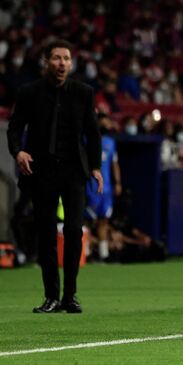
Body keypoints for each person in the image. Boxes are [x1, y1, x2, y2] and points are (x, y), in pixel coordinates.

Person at [6, 39, 103, 313]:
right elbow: (14, 129)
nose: (62, 63)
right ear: (46, 62)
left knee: (73, 230)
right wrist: (18, 152)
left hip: (74, 172)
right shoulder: (29, 93)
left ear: (71, 64)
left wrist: (95, 167)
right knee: (46, 233)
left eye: (66, 58)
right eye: (57, 58)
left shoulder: (83, 92)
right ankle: (51, 296)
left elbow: (93, 133)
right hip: (42, 172)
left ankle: (70, 295)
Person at [86, 114, 122, 261]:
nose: (107, 125)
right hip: (91, 187)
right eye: (104, 122)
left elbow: (114, 164)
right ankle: (85, 252)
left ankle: (103, 254)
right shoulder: (86, 140)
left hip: (106, 189)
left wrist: (118, 182)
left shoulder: (110, 142)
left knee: (104, 220)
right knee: (86, 220)